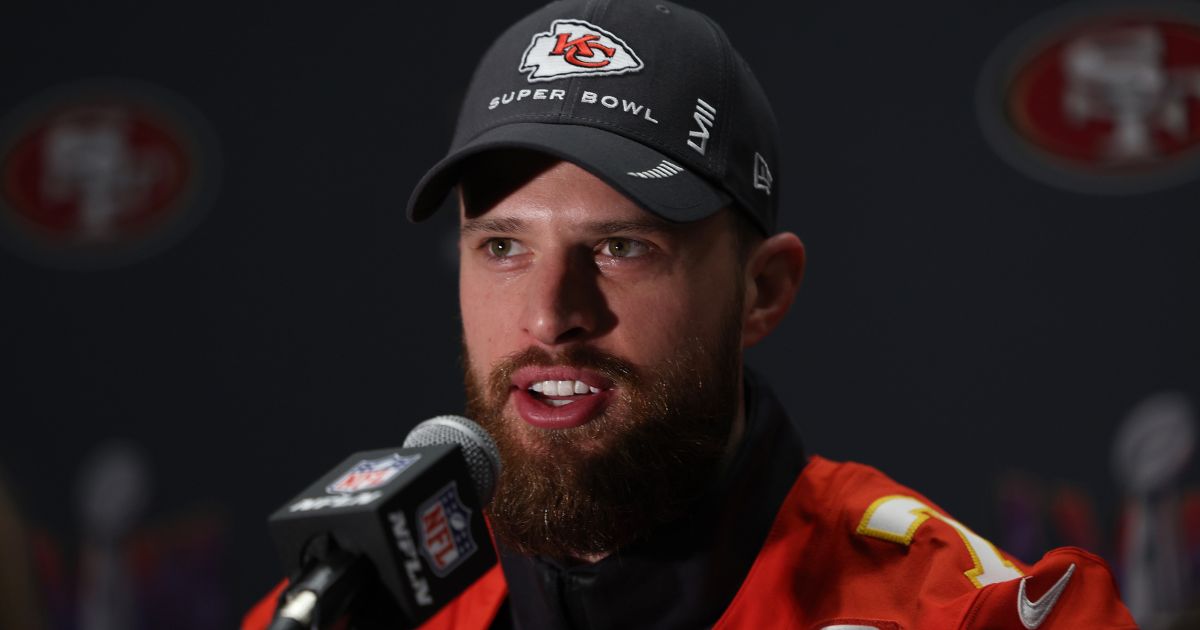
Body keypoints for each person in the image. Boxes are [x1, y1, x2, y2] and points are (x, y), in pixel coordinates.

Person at [245, 0, 1137, 627]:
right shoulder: (344, 612)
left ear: (763, 291)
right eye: (503, 246)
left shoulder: (970, 616)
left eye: (622, 247)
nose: (550, 317)